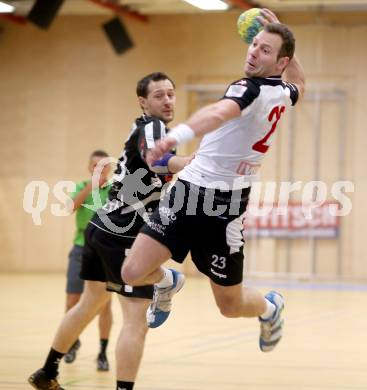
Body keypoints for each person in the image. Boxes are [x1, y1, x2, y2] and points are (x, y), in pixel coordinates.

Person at [122, 9, 305, 356]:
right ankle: (167, 282)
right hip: (188, 190)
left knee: (230, 305)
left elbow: (218, 112)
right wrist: (285, 39)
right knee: (132, 271)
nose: (253, 51)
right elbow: (302, 85)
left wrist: (177, 135)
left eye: (265, 50)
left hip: (225, 207)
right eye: (254, 43)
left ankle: (270, 308)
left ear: (281, 62)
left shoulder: (249, 89)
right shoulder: (283, 90)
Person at [28, 72, 193, 390]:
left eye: (171, 94)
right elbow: (156, 160)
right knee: (135, 322)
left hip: (101, 225)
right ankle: (167, 281)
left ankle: (47, 372)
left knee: (88, 304)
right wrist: (191, 161)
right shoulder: (153, 126)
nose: (168, 100)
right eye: (159, 95)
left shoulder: (144, 127)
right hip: (125, 233)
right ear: (144, 102)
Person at [64, 150, 112, 371]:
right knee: (72, 301)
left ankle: (102, 351)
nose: (99, 170)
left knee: (104, 304)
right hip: (81, 248)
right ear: (89, 168)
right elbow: (70, 207)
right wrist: (90, 187)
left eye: (103, 166)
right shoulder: (82, 186)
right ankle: (72, 342)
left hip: (105, 252)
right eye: (95, 166)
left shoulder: (114, 190)